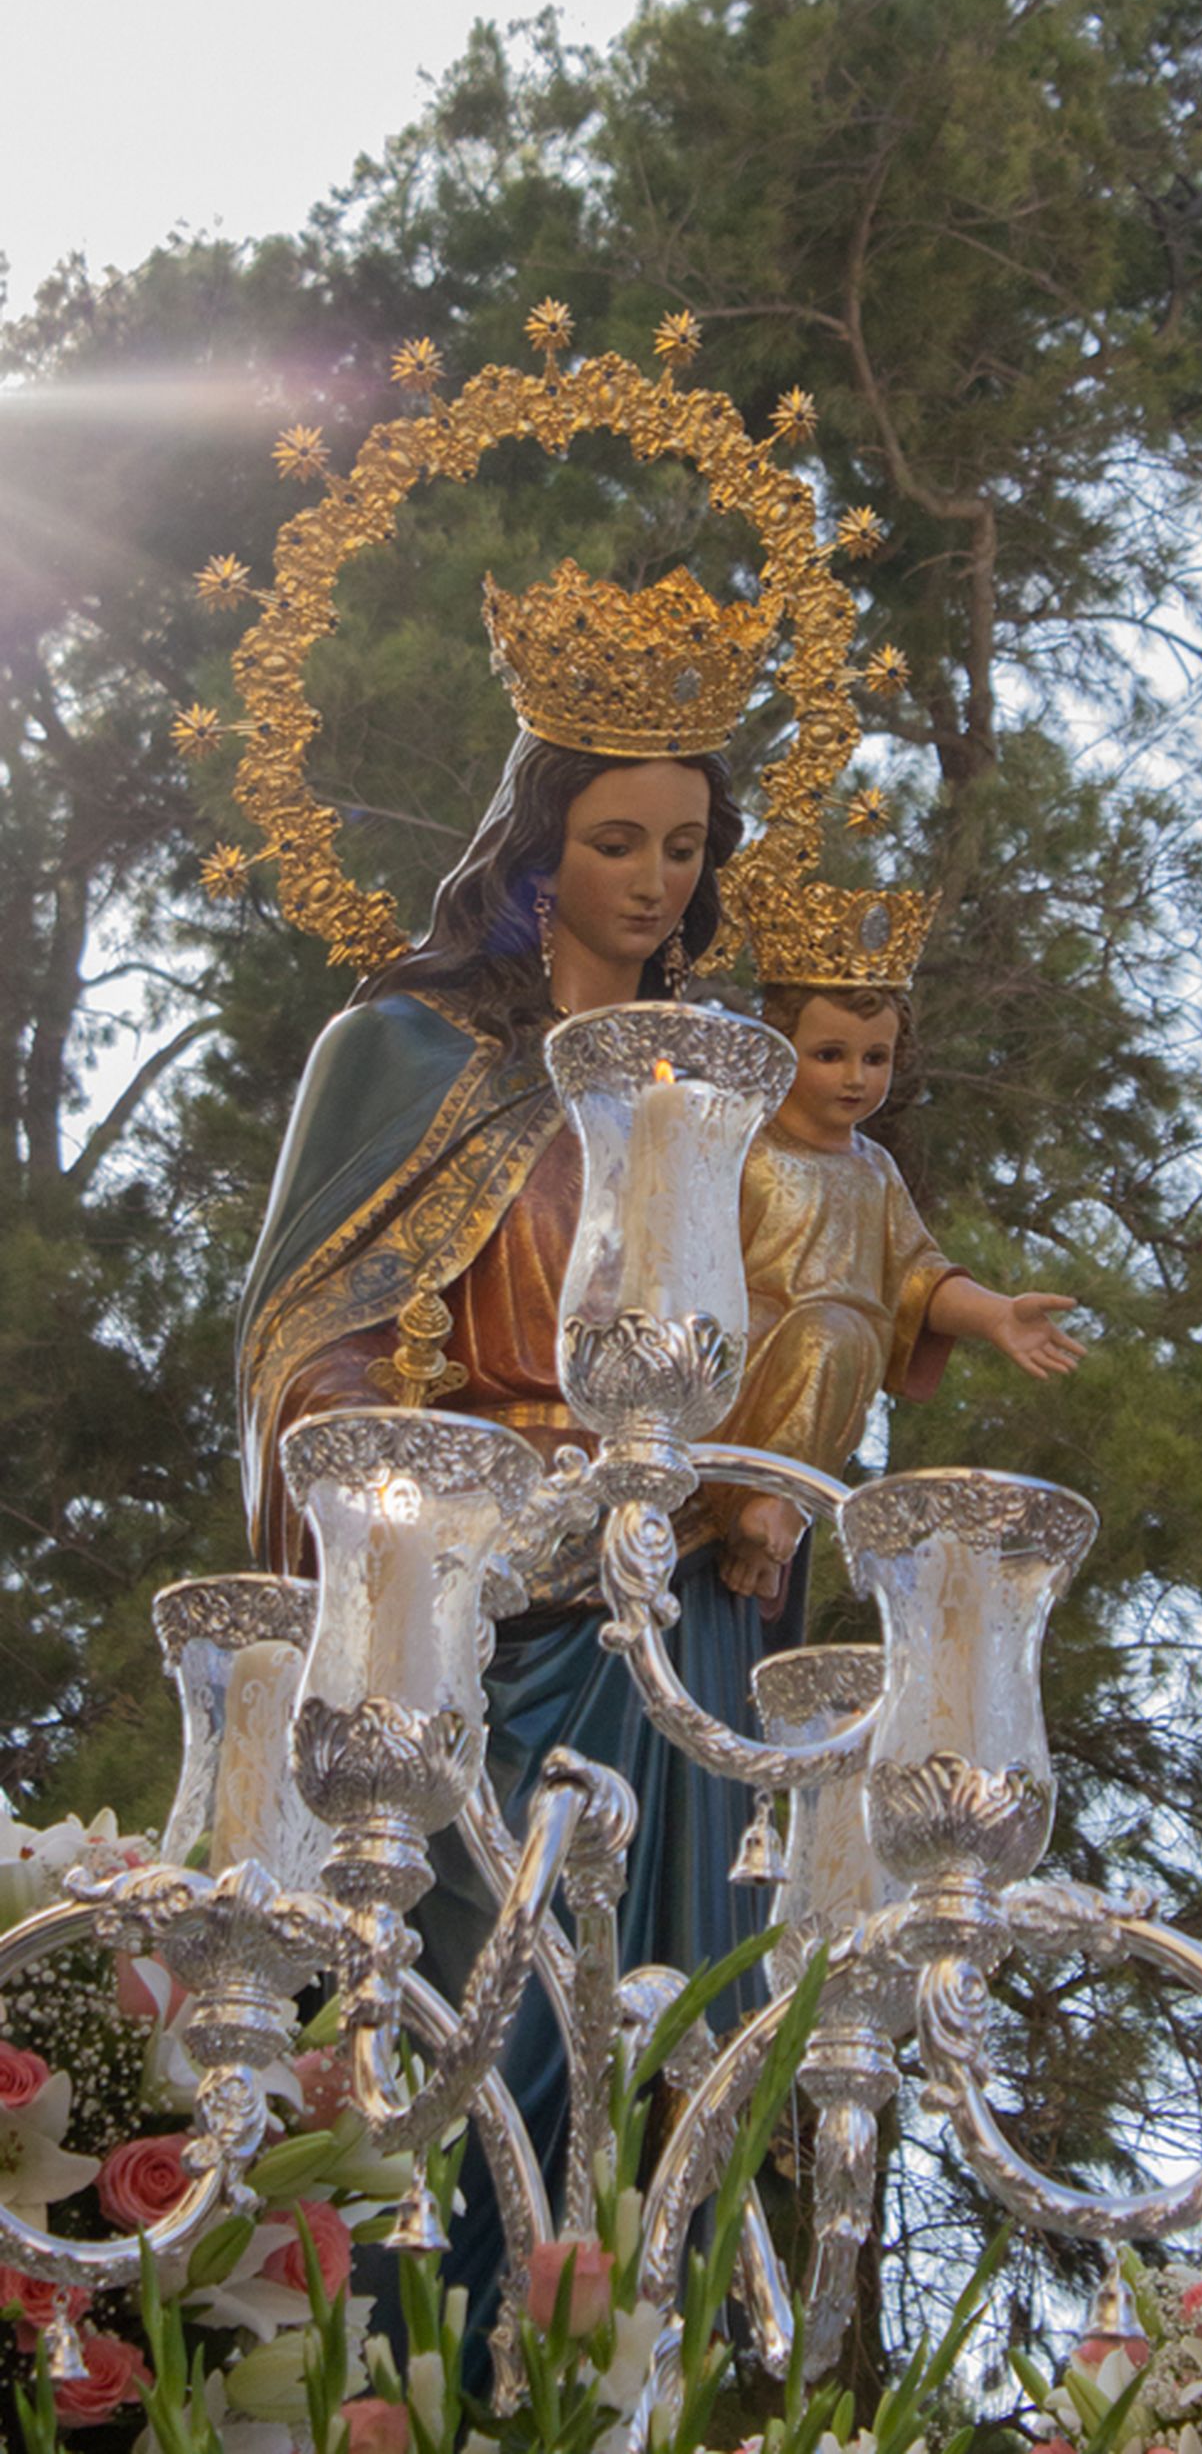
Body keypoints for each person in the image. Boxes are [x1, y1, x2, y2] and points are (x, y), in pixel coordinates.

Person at [237, 726, 774, 2256]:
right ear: (536, 846)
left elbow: (784, 1332)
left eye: (685, 847)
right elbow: (304, 1346)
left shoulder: (710, 1092)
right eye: (618, 841)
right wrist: (448, 1508)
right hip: (470, 1620)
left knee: (650, 2042)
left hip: (666, 1619)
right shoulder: (406, 1055)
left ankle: (606, 2364)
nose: (657, 884)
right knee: (465, 2021)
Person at [712, 978, 1084, 1628]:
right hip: (739, 1373)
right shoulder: (744, 1148)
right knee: (836, 1331)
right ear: (777, 1048)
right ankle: (768, 1498)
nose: (856, 1077)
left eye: (875, 1058)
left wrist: (996, 1313)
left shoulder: (875, 1169)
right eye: (829, 1054)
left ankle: (781, 1504)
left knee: (844, 1333)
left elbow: (917, 1278)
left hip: (826, 1388)